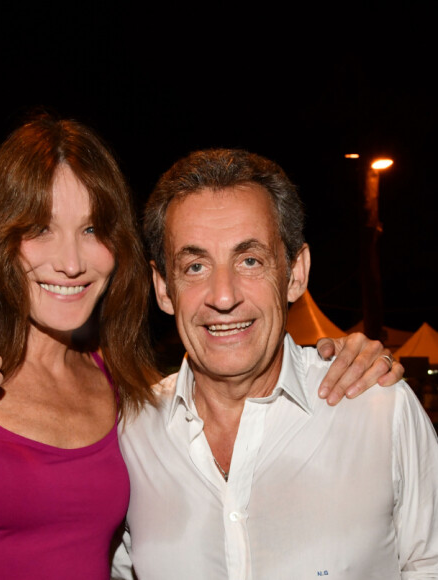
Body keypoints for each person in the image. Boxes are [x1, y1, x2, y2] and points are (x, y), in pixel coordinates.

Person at [0, 112, 403, 579]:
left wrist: (333, 356)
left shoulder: (121, 386)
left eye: (92, 230)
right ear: (0, 237)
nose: (70, 262)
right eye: (40, 229)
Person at [112, 148, 438, 578]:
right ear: (163, 288)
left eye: (250, 260)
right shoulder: (130, 433)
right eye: (194, 266)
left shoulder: (379, 410)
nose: (223, 296)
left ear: (295, 273)